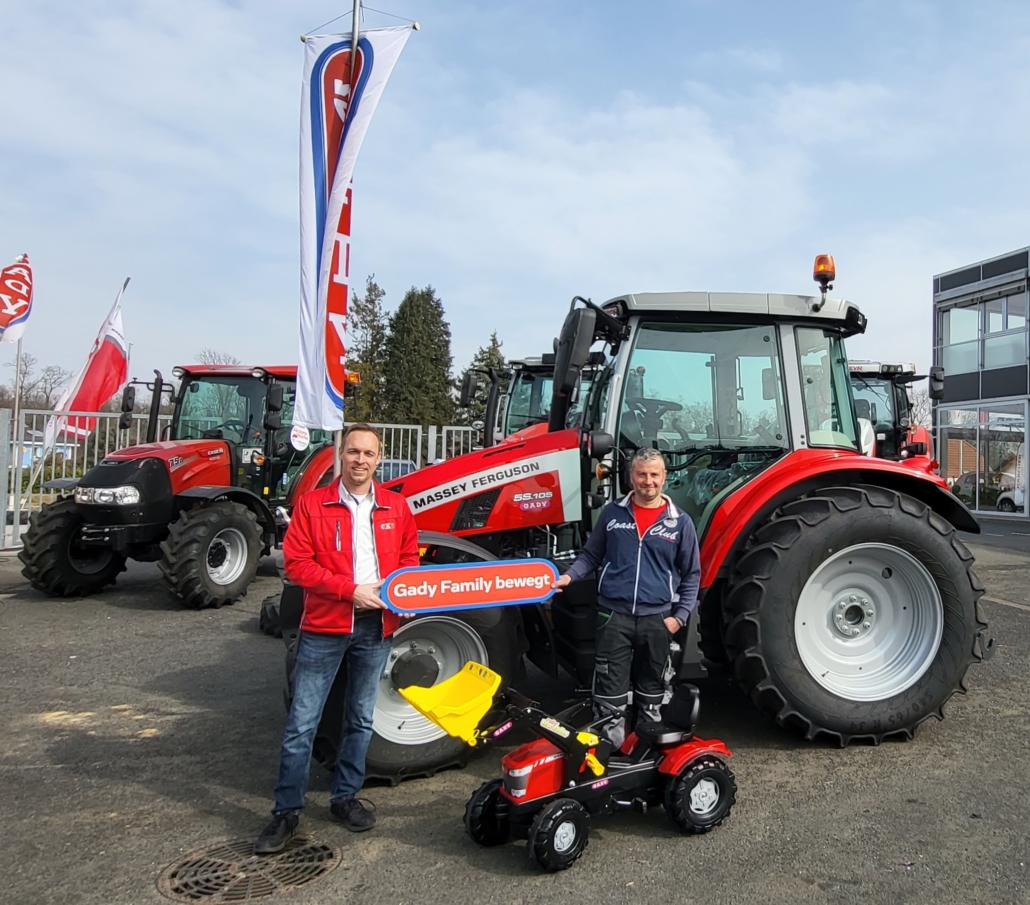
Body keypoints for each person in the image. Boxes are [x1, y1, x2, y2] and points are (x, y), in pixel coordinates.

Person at [254, 423, 420, 854]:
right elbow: (298, 564)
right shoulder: (313, 505)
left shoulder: (396, 506)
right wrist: (350, 591)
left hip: (376, 627)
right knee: (302, 724)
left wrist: (403, 594)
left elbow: (408, 557)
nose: (360, 460)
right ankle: (286, 812)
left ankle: (345, 797)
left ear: (379, 459)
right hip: (325, 627)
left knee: (361, 718)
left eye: (368, 453)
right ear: (340, 455)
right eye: (353, 452)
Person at [553, 446, 700, 744]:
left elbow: (692, 574)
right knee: (610, 691)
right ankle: (611, 752)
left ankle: (646, 749)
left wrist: (679, 618)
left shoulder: (680, 522)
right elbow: (590, 556)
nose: (648, 481)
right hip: (613, 617)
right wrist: (569, 576)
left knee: (653, 689)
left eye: (654, 474)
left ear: (664, 477)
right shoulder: (612, 514)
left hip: (658, 619)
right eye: (641, 474)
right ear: (631, 476)